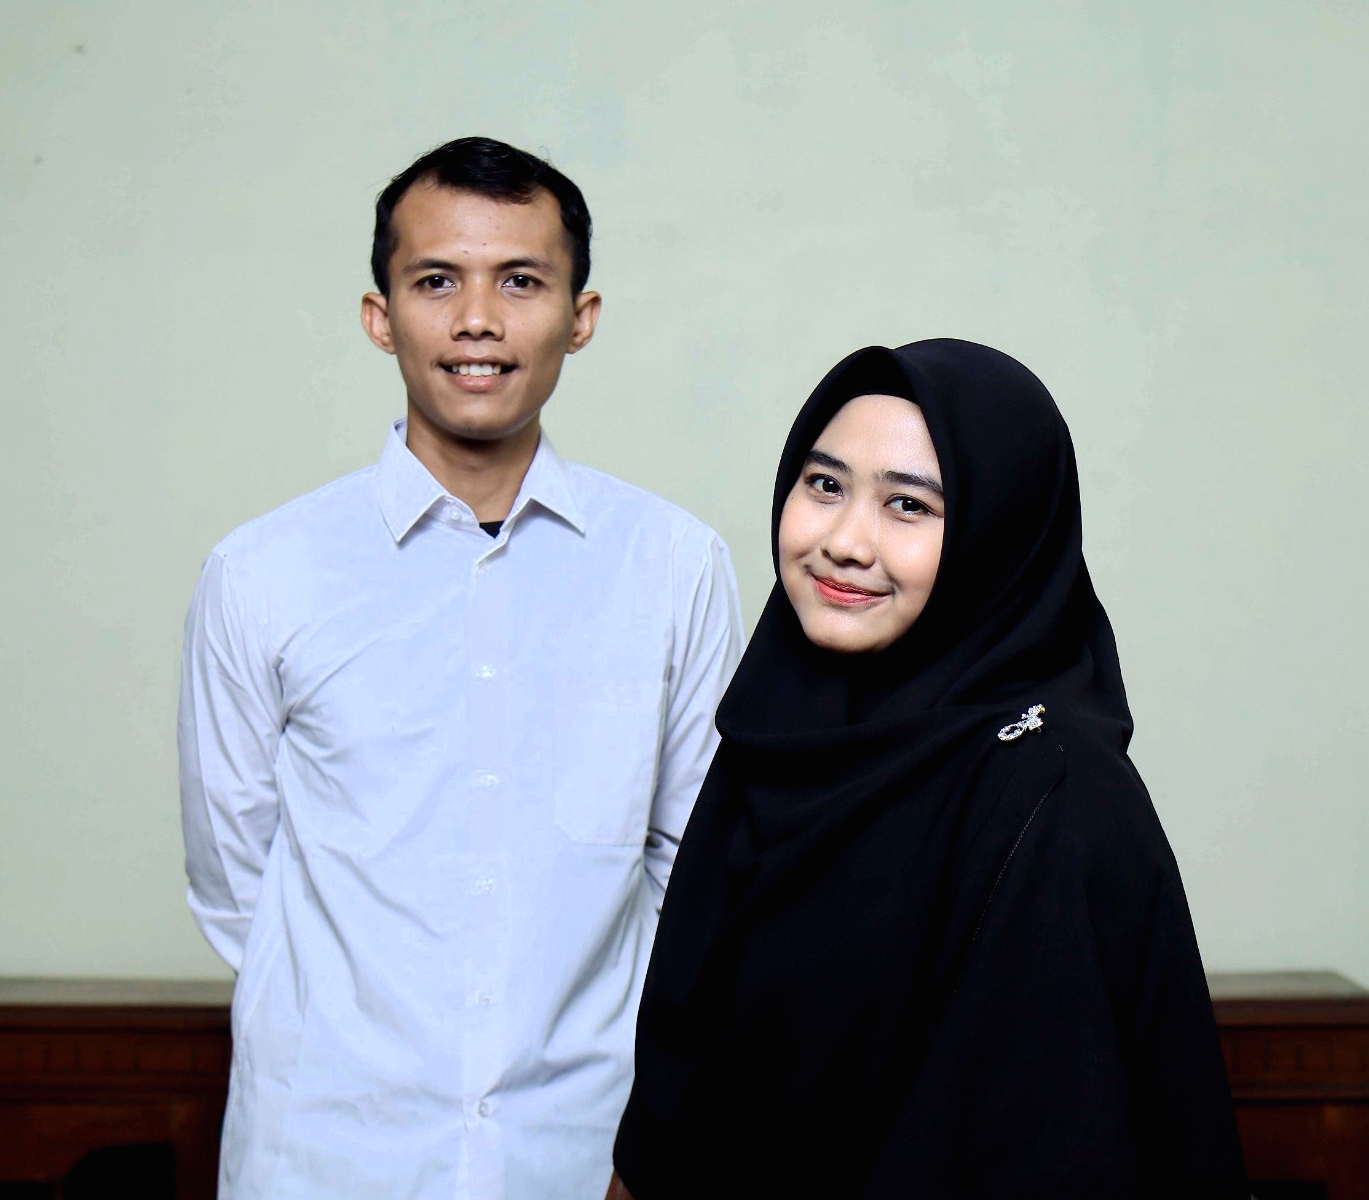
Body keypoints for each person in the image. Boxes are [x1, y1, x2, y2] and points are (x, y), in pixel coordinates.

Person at [178, 136, 743, 1200]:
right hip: (327, 1155)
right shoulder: (262, 572)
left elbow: (693, 865)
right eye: (436, 280)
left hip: (584, 1149)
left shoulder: (673, 565)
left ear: (580, 316)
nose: (477, 318)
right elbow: (235, 877)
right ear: (379, 315)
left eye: (520, 281)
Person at [609, 339, 1248, 1199]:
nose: (844, 541)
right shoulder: (772, 737)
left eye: (908, 505)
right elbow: (683, 1090)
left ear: (999, 534)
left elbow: (1042, 1150)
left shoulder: (1051, 791)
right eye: (823, 485)